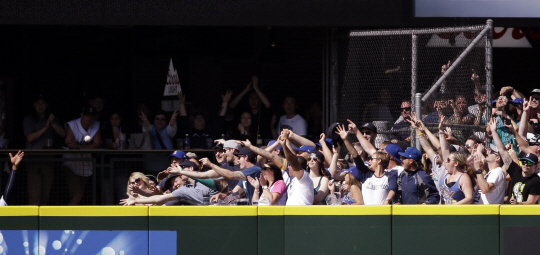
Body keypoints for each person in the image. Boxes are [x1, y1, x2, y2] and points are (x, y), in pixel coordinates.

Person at [335, 124, 397, 205]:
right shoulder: (365, 174)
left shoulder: (390, 175)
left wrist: (387, 201)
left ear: (379, 161)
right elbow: (355, 155)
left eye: (372, 159)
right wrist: (345, 140)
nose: (369, 161)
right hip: (367, 214)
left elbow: (393, 189)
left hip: (383, 214)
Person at [23, 94, 66, 205]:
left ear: (46, 105)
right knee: (34, 194)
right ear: (34, 105)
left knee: (46, 194)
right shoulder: (29, 119)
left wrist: (52, 123)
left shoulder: (52, 118)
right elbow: (30, 137)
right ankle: (32, 220)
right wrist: (46, 127)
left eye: (43, 103)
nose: (40, 106)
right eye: (38, 103)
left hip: (48, 160)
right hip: (34, 160)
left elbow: (63, 134)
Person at [63, 106, 102, 205]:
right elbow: (68, 142)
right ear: (82, 115)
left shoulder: (96, 125)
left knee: (81, 195)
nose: (89, 118)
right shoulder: (73, 124)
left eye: (91, 116)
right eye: (87, 116)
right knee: (78, 195)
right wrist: (82, 147)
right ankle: (63, 217)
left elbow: (97, 144)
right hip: (71, 163)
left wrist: (78, 147)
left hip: (85, 163)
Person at [229, 76, 273, 140]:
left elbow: (268, 105)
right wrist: (246, 90)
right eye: (251, 98)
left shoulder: (263, 112)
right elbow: (231, 105)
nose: (253, 100)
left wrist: (255, 87)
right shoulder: (245, 110)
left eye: (256, 98)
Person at [281, 129, 314, 205]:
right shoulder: (294, 178)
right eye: (297, 153)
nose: (297, 155)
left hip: (300, 215)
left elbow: (293, 160)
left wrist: (284, 145)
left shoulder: (304, 177)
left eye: (300, 153)